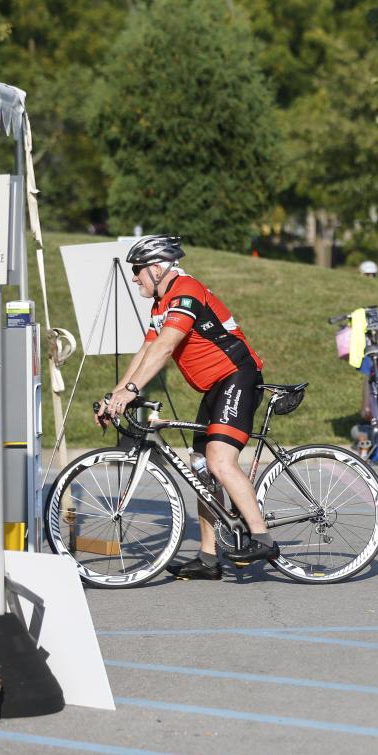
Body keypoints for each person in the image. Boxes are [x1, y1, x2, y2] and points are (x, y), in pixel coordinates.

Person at [95, 235, 276, 580]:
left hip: (238, 377)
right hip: (215, 388)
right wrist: (115, 394)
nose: (134, 278)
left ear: (157, 268)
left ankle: (262, 536)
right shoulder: (161, 305)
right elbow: (146, 353)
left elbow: (165, 348)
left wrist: (131, 390)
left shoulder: (186, 291)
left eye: (138, 271)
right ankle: (209, 559)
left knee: (219, 462)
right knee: (201, 470)